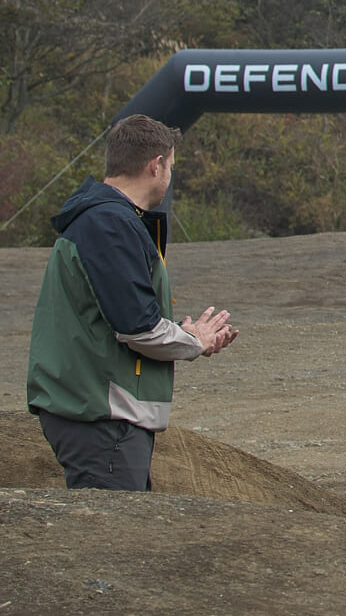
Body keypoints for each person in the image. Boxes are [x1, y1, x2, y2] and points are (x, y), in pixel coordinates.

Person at [24, 115, 239, 491]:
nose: (170, 176)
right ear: (156, 165)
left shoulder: (104, 219)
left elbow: (116, 318)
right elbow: (137, 328)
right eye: (171, 166)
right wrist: (194, 341)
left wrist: (182, 333)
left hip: (98, 411)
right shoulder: (109, 224)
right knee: (111, 527)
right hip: (100, 417)